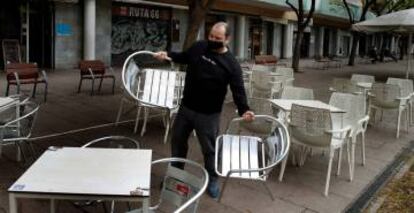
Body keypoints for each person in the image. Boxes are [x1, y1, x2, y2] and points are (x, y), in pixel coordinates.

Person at [154, 22, 255, 198]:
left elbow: (238, 90)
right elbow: (184, 56)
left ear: (227, 39)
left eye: (218, 38)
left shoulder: (231, 64)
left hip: (208, 115)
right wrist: (168, 55)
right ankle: (175, 176)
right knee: (177, 142)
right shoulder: (200, 46)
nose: (213, 40)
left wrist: (244, 109)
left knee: (209, 150)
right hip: (186, 108)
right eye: (211, 36)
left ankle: (213, 178)